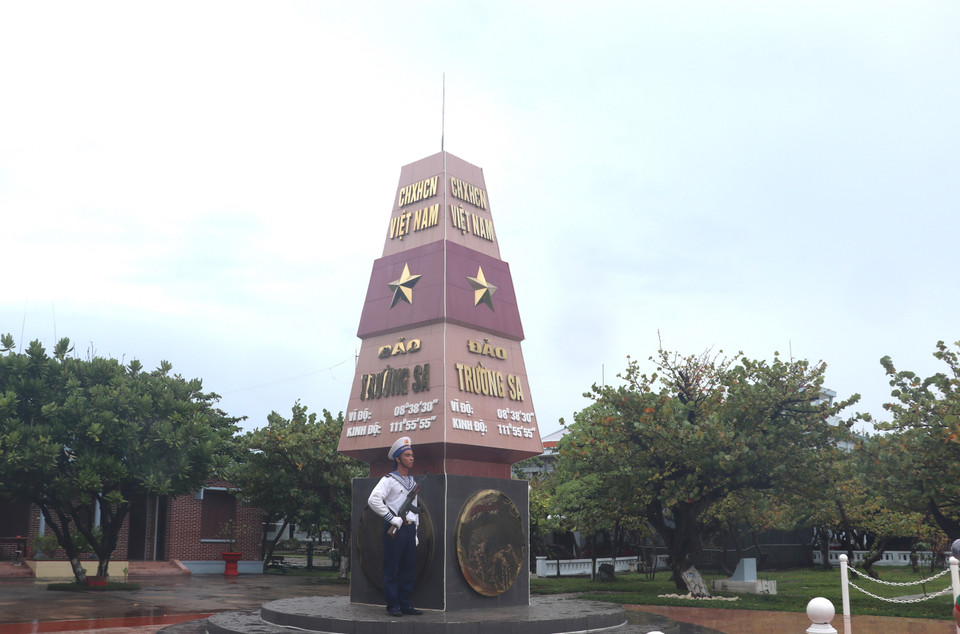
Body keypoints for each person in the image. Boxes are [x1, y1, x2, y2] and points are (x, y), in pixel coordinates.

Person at [367, 436, 422, 617]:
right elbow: (373, 500)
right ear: (398, 459)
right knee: (392, 568)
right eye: (407, 455)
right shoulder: (389, 480)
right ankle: (393, 605)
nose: (411, 458)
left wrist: (415, 531)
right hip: (395, 529)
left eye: (412, 455)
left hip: (409, 529)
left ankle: (405, 603)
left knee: (408, 568)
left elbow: (414, 509)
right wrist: (391, 518)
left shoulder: (412, 482)